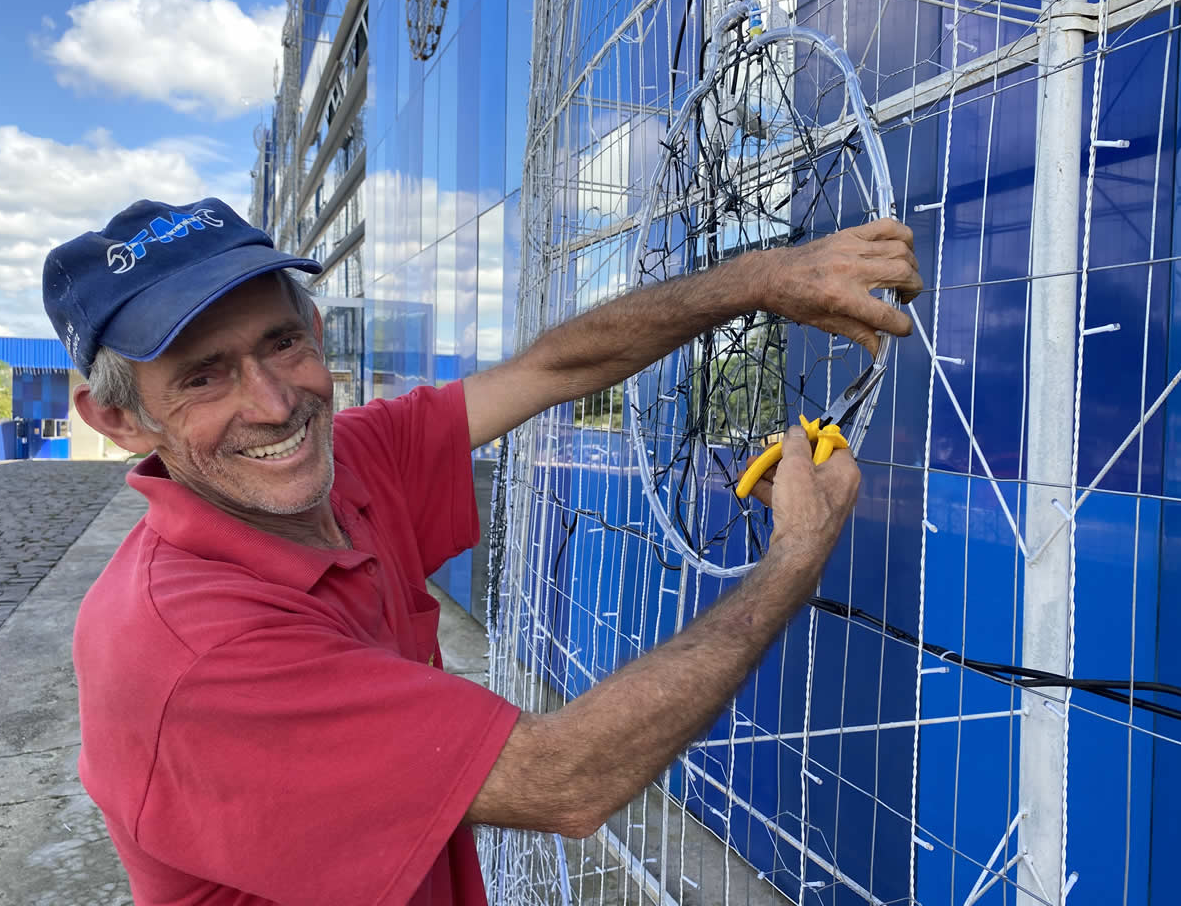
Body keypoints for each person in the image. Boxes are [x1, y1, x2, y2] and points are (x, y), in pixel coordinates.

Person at [47, 197, 921, 906]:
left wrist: (762, 279)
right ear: (119, 418)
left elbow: (552, 370)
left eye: (282, 344)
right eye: (203, 376)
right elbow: (567, 778)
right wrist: (796, 553)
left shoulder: (347, 461)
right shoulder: (192, 648)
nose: (274, 404)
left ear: (313, 326)